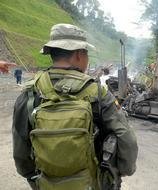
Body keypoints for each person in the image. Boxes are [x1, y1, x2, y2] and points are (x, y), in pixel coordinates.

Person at [12, 23, 138, 190]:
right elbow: (126, 137)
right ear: (79, 54)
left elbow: (20, 149)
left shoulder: (30, 92)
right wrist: (122, 171)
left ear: (52, 53)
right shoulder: (98, 93)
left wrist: (34, 179)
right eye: (86, 53)